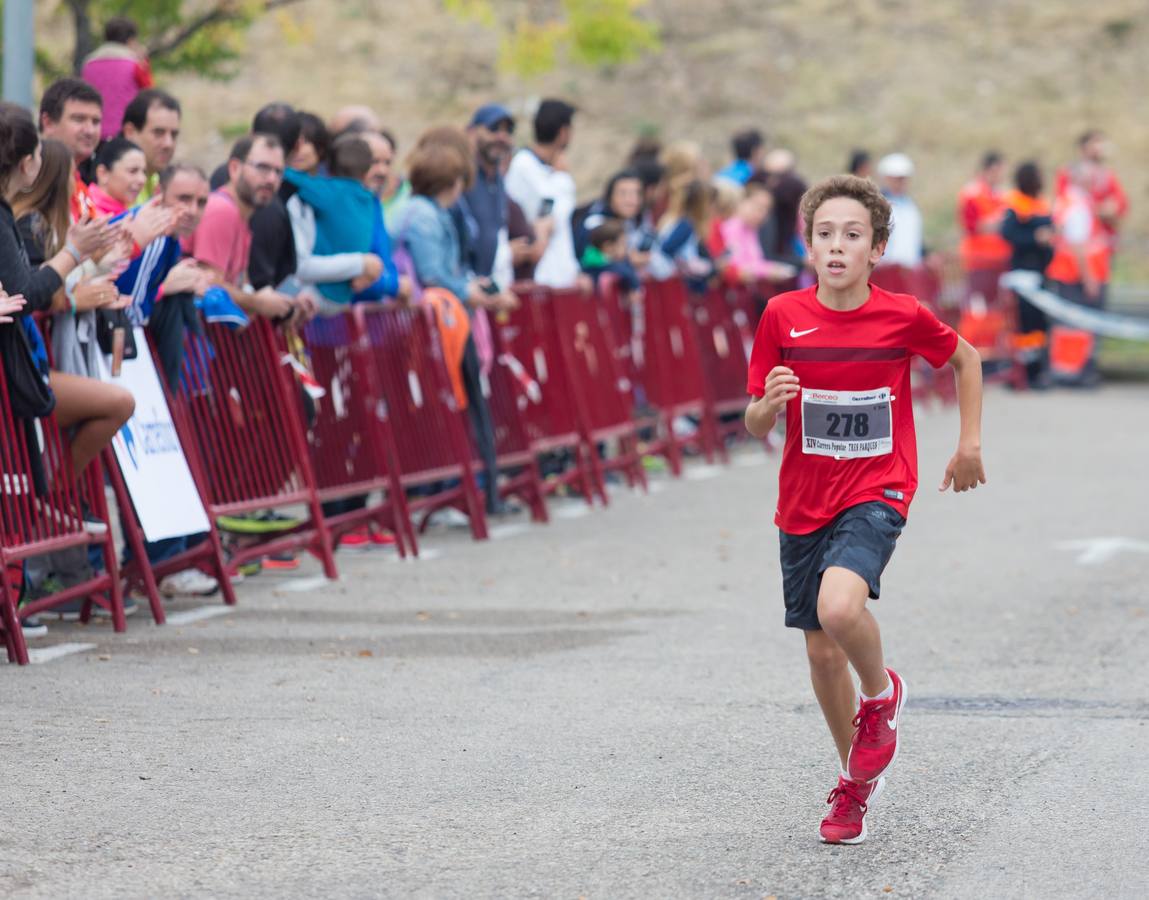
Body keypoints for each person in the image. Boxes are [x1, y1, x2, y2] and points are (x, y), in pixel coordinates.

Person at [744, 175, 985, 845]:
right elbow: (754, 422)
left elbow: (965, 360)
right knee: (821, 657)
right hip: (801, 501)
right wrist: (767, 403)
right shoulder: (780, 317)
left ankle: (880, 697)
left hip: (877, 486)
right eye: (825, 235)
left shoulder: (900, 314)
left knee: (839, 609)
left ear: (876, 248)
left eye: (851, 236)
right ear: (808, 244)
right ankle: (853, 784)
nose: (836, 247)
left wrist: (967, 444)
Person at [402, 138, 516, 515]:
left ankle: (485, 492)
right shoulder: (422, 214)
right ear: (452, 181)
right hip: (442, 323)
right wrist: (469, 290)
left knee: (473, 406)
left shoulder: (431, 211)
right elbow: (433, 273)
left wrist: (475, 286)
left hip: (452, 317)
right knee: (461, 406)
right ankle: (467, 492)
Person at [183, 133, 298, 321]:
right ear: (235, 168)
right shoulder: (221, 210)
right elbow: (209, 283)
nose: (271, 179)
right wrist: (258, 303)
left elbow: (238, 286)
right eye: (262, 168)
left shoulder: (241, 218)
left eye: (278, 172)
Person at [504, 98, 580, 288]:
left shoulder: (552, 170)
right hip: (541, 278)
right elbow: (542, 214)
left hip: (562, 277)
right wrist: (562, 178)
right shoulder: (523, 165)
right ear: (563, 132)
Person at [1000, 161, 1054, 388]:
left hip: (1040, 274)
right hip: (1022, 275)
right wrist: (1035, 238)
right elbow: (1009, 234)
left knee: (1039, 326)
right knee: (1023, 325)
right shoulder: (1015, 204)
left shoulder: (1043, 204)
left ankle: (1037, 370)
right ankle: (1023, 372)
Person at [80, 16, 153, 140]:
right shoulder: (135, 65)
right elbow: (150, 94)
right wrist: (144, 61)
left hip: (93, 133)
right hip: (125, 133)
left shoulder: (88, 64)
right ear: (131, 41)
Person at [716, 181, 796, 286]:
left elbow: (756, 260)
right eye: (757, 206)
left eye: (766, 210)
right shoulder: (731, 226)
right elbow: (735, 263)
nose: (762, 213)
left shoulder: (750, 229)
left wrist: (773, 269)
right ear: (742, 201)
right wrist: (768, 272)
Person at [38, 77, 103, 205]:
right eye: (79, 119)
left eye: (96, 121)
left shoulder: (77, 183)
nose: (89, 131)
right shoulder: (31, 180)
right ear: (48, 122)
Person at [957, 152, 1011, 301]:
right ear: (986, 171)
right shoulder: (972, 194)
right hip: (979, 260)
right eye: (996, 171)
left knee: (998, 308)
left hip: (1000, 260)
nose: (999, 175)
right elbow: (972, 226)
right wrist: (996, 223)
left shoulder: (1003, 196)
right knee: (979, 305)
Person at [120, 88, 181, 204]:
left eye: (174, 135)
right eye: (158, 133)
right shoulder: (113, 182)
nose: (168, 143)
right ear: (130, 132)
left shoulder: (157, 179)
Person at [875, 153, 923, 269]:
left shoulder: (910, 206)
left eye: (903, 179)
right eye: (896, 179)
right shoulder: (879, 205)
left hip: (910, 269)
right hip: (886, 269)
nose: (900, 182)